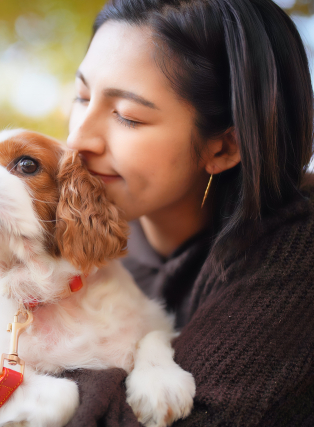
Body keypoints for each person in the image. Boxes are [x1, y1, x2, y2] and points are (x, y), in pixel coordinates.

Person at [62, 0, 314, 425]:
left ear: (223, 147)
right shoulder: (77, 244)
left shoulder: (297, 255)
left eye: (127, 117)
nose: (77, 139)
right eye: (82, 96)